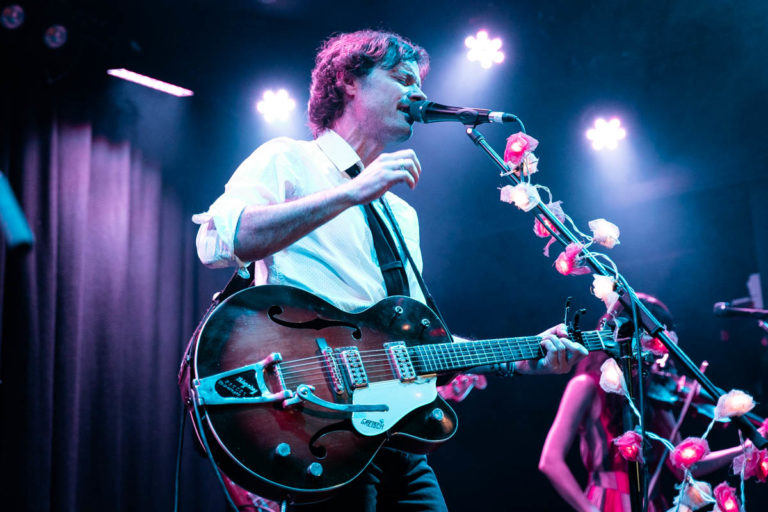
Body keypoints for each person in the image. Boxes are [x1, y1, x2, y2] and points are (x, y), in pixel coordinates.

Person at [193, 29, 588, 511]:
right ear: (348, 80)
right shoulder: (289, 159)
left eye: (420, 82)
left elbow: (412, 342)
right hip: (318, 421)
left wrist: (522, 355)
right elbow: (218, 242)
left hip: (395, 432)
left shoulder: (401, 214)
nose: (418, 93)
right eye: (403, 79)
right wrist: (350, 192)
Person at [538, 294, 745, 512]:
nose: (657, 357)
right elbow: (550, 461)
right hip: (606, 503)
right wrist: (589, 509)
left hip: (651, 505)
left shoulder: (652, 391)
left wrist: (745, 447)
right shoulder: (585, 385)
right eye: (653, 343)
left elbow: (684, 465)